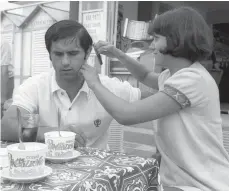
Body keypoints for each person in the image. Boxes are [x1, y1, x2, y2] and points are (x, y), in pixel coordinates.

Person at [80, 7, 229, 191]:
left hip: (202, 183)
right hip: (179, 181)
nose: (151, 46)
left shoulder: (192, 80)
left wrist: (95, 83)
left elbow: (126, 114)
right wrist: (117, 53)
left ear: (177, 38)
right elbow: (144, 76)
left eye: (156, 38)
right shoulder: (172, 75)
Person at [1, 20, 141, 149]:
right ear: (50, 55)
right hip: (48, 170)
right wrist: (54, 135)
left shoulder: (106, 86)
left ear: (87, 53)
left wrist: (120, 55)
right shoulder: (35, 86)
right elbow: (6, 126)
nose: (65, 62)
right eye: (58, 54)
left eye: (73, 53)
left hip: (96, 170)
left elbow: (155, 94)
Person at [1, 41, 14, 118]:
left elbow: (4, 71)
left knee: (4, 107)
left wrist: (3, 98)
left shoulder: (3, 44)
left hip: (5, 79)